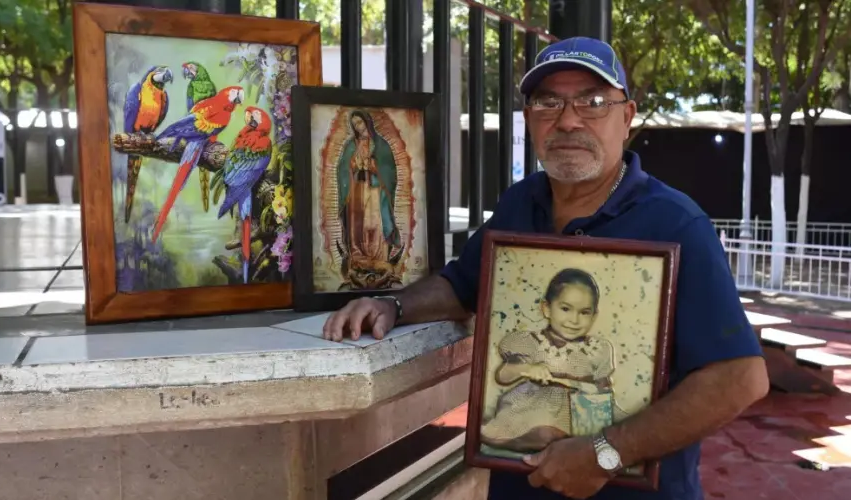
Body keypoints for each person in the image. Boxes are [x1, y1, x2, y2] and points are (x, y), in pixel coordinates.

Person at [322, 36, 768, 500]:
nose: (568, 119)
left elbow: (739, 378)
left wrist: (605, 453)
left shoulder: (677, 224)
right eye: (548, 102)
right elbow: (463, 284)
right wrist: (392, 304)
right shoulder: (522, 201)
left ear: (627, 117)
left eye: (593, 102)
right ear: (530, 118)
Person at [481, 268, 616, 453]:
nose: (574, 320)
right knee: (539, 430)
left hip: (578, 411)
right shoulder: (530, 342)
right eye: (565, 309)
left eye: (584, 312)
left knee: (579, 440)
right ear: (546, 308)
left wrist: (598, 391)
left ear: (594, 316)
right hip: (533, 406)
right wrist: (526, 368)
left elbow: (603, 385)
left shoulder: (597, 349)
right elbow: (503, 375)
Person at [337, 109, 401, 265]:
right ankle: (357, 256)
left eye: (360, 122)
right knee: (358, 224)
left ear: (367, 121)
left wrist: (375, 167)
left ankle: (379, 258)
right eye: (354, 125)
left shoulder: (381, 145)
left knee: (374, 223)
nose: (358, 127)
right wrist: (352, 165)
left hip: (375, 190)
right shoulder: (351, 145)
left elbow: (389, 170)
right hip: (357, 190)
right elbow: (342, 168)